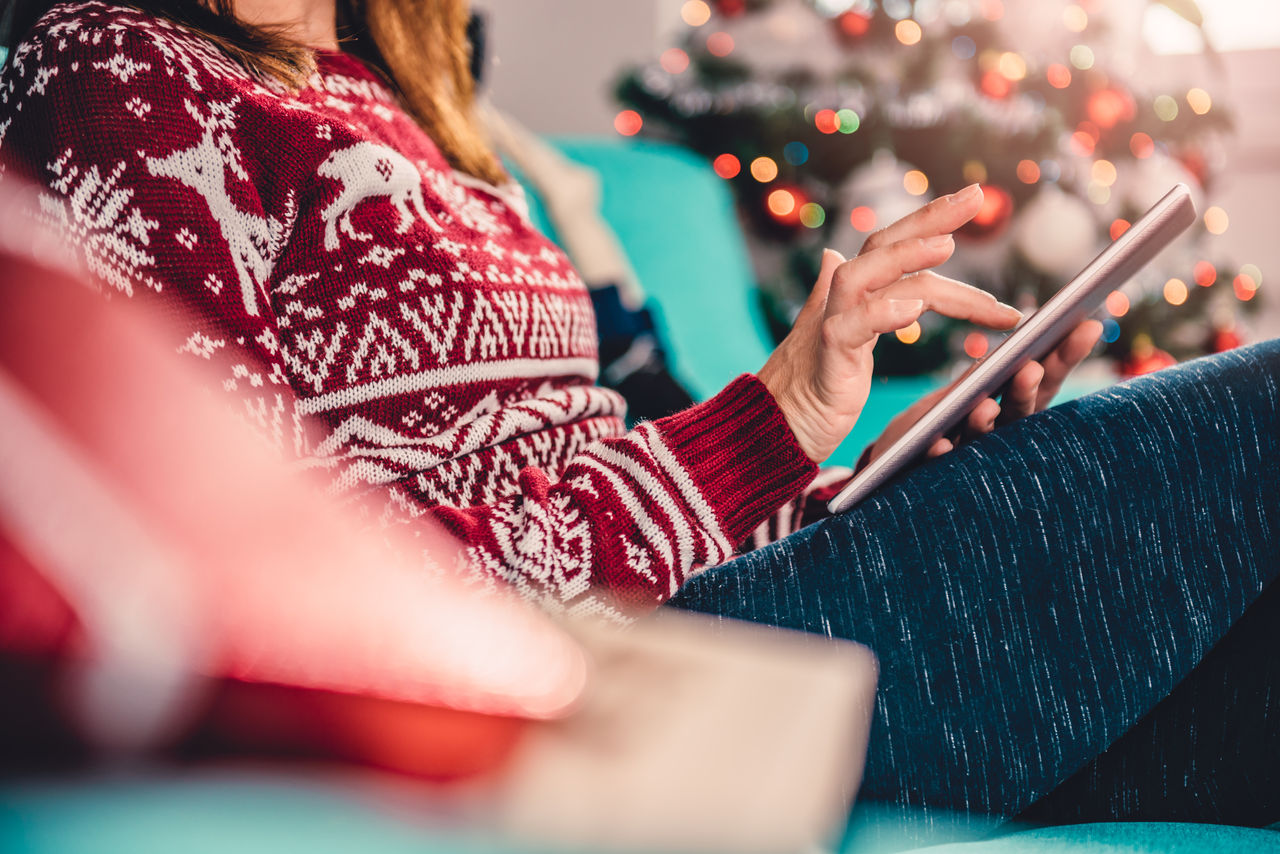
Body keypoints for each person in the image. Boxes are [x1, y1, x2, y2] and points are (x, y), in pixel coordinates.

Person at [0, 0, 1275, 832]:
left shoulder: (414, 109)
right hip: (589, 667)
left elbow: (599, 452)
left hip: (708, 595)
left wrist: (851, 469)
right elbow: (292, 580)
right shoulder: (117, 67)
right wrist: (763, 426)